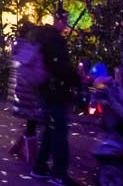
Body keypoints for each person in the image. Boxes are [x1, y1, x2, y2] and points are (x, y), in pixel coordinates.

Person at [30, 10, 81, 186]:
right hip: (56, 91)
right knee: (59, 132)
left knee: (51, 129)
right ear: (58, 20)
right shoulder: (55, 40)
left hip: (44, 90)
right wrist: (78, 81)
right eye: (65, 21)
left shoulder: (42, 37)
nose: (66, 25)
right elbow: (62, 68)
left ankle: (39, 167)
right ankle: (59, 174)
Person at [8, 21, 45, 164]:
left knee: (33, 122)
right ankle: (32, 156)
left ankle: (19, 148)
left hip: (22, 90)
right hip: (30, 91)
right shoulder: (30, 47)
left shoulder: (18, 45)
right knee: (34, 121)